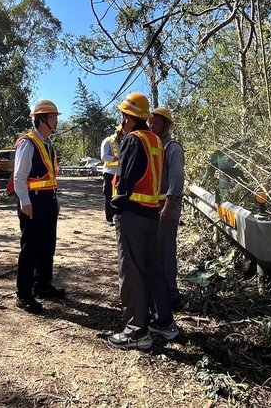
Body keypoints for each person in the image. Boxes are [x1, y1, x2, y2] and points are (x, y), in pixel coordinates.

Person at [107, 92, 179, 350]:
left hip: (134, 215)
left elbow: (125, 180)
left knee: (133, 271)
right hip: (152, 213)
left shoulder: (133, 140)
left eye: (123, 115)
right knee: (154, 269)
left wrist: (118, 207)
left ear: (128, 116)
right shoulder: (155, 141)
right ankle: (164, 322)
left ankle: (137, 332)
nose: (121, 119)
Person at [13, 99, 65, 314]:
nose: (56, 120)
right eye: (53, 117)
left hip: (47, 200)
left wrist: (55, 199)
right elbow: (19, 177)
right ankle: (24, 294)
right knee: (30, 248)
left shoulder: (47, 143)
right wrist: (25, 202)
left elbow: (50, 176)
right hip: (32, 202)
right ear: (42, 119)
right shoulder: (28, 142)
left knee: (47, 245)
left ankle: (42, 284)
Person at [149, 107, 185, 311]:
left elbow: (176, 179)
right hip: (156, 206)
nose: (152, 126)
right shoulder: (155, 145)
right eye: (150, 123)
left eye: (156, 123)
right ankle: (161, 292)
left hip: (167, 207)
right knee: (156, 251)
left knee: (166, 251)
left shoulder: (172, 148)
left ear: (166, 125)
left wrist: (168, 206)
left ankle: (172, 296)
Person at [99, 125, 124, 226]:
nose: (122, 138)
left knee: (117, 196)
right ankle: (109, 218)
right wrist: (115, 159)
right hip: (109, 172)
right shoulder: (107, 141)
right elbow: (103, 156)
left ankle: (116, 216)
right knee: (108, 195)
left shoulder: (122, 143)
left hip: (119, 173)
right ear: (118, 133)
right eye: (122, 135)